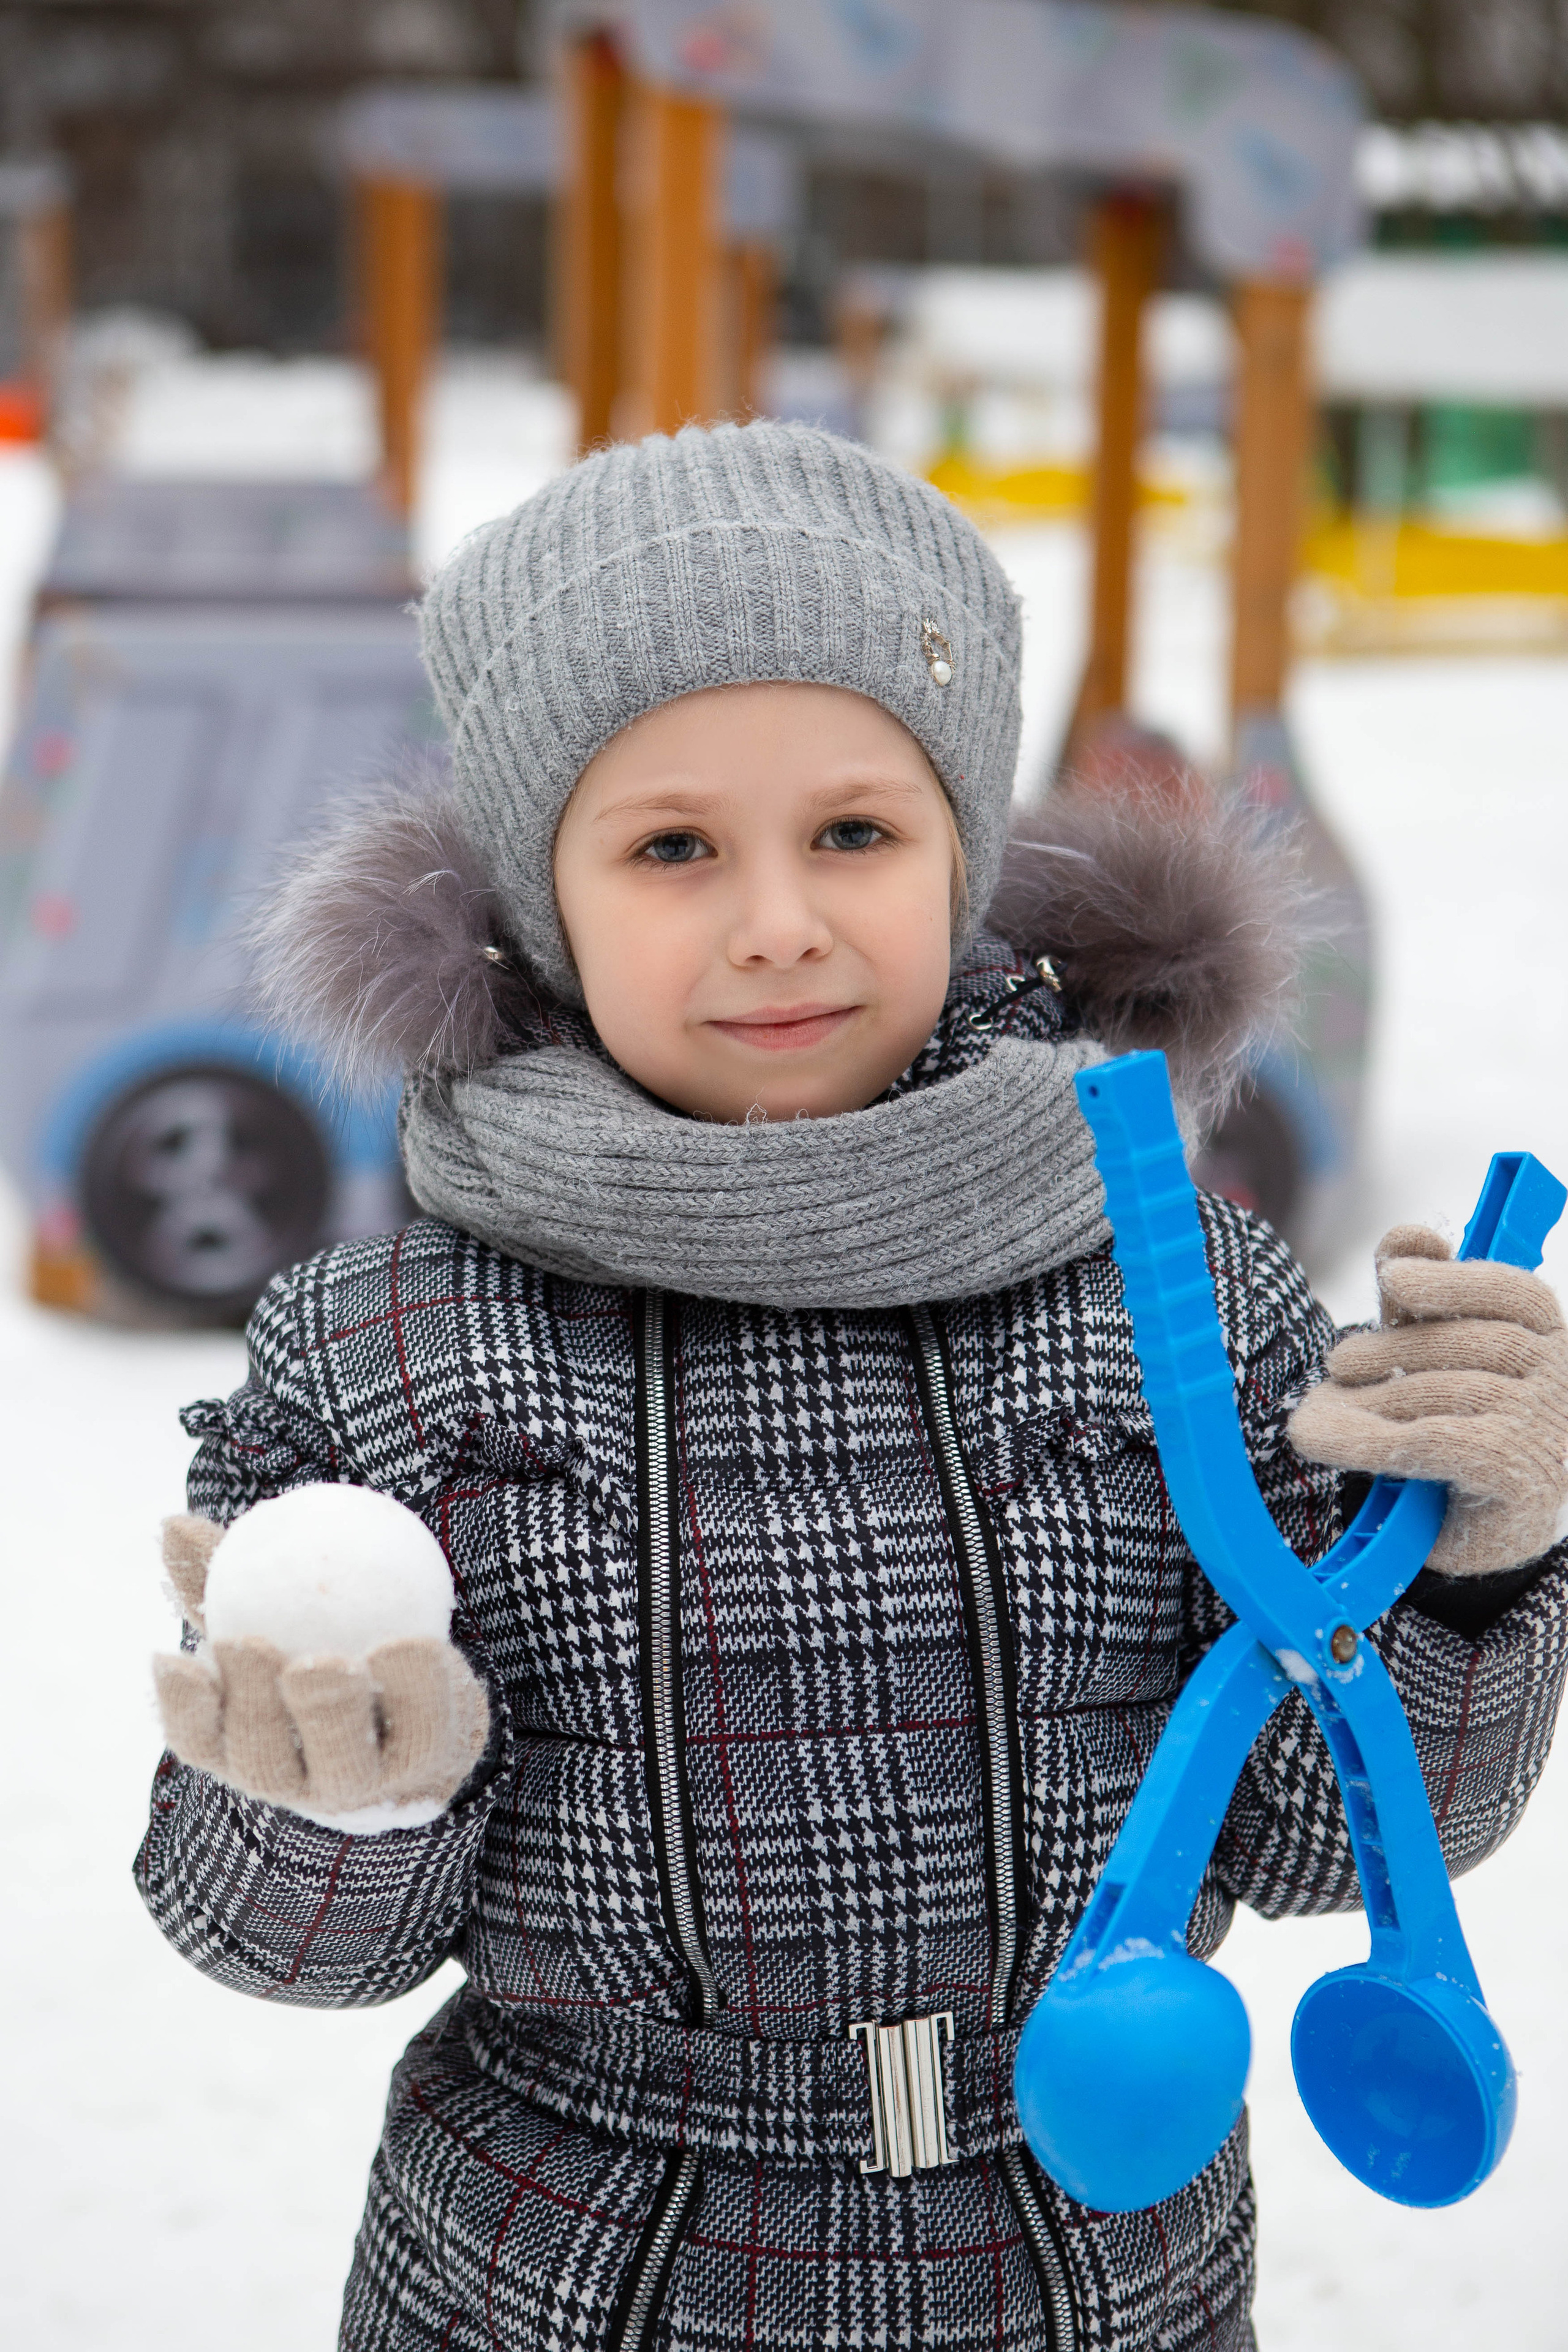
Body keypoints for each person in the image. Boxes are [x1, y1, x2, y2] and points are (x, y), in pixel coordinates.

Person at [135, 422, 1568, 2352]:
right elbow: (289, 1947)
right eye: (670, 848)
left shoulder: (1181, 1292)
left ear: (963, 850)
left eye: (854, 833)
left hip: (1091, 2260)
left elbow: (1322, 1830)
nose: (781, 921)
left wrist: (1470, 1565)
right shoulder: (390, 1348)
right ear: (542, 899)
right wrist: (331, 1798)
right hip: (560, 2273)